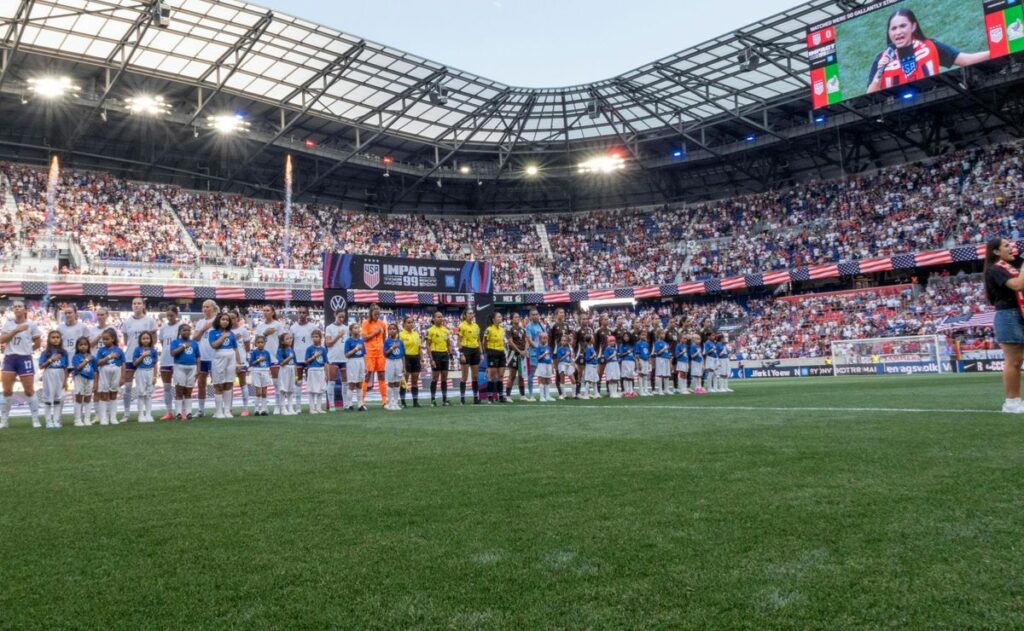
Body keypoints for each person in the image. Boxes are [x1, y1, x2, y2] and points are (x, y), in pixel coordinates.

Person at [866, 8, 990, 94]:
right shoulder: (881, 58)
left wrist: (1000, 50)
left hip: (932, 101)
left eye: (903, 26)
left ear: (913, 27)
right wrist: (879, 73)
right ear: (889, 32)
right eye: (893, 28)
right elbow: (870, 96)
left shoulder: (930, 46)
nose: (898, 32)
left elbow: (967, 60)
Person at [983, 237, 1024, 413]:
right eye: (1006, 245)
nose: (1011, 247)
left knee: (1017, 359)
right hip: (1008, 314)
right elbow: (1017, 285)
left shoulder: (1013, 265)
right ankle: (1012, 403)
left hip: (1018, 313)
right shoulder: (995, 270)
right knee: (1014, 360)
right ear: (996, 252)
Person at [0, 299, 43, 428]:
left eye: (20, 306)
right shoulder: (8, 324)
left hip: (25, 358)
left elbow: (38, 343)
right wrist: (16, 331)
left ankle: (35, 419)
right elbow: (1, 339)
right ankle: (4, 420)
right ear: (13, 310)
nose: (17, 308)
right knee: (7, 390)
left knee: (29, 390)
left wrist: (28, 350)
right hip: (9, 358)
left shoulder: (32, 324)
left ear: (25, 310)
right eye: (15, 306)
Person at [121, 297, 158, 422]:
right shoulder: (127, 322)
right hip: (130, 357)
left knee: (146, 387)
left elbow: (154, 340)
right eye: (134, 303)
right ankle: (126, 414)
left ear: (143, 305)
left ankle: (146, 414)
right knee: (128, 387)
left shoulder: (150, 321)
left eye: (139, 303)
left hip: (146, 359)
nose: (136, 305)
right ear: (132, 306)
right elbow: (126, 341)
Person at [209, 313, 241, 419]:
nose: (225, 321)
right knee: (219, 384)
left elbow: (236, 349)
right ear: (218, 320)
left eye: (227, 320)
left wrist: (239, 362)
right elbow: (214, 345)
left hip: (231, 357)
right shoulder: (213, 332)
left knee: (229, 383)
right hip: (219, 358)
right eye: (223, 319)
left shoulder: (231, 333)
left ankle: (227, 410)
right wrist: (222, 337)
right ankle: (218, 411)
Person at [192, 299, 219, 417]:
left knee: (217, 383)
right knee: (201, 383)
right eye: (203, 307)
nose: (205, 309)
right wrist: (204, 328)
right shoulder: (200, 322)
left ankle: (219, 409)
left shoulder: (218, 321)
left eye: (207, 307)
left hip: (215, 356)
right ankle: (201, 410)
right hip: (202, 357)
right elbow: (195, 338)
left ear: (213, 308)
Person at [256, 305, 284, 414]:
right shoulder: (260, 327)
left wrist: (281, 355)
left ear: (273, 312)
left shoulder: (278, 325)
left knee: (277, 383)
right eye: (264, 310)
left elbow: (283, 341)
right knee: (263, 384)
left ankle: (278, 406)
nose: (265, 312)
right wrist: (264, 334)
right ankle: (263, 407)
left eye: (267, 310)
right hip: (263, 358)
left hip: (275, 357)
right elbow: (257, 342)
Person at [38, 330, 68, 429]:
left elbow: (65, 368)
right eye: (53, 337)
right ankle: (48, 421)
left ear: (60, 339)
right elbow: (41, 366)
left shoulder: (64, 353)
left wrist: (65, 381)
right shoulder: (46, 352)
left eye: (57, 337)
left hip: (60, 375)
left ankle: (56, 420)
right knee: (47, 398)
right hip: (49, 374)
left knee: (58, 399)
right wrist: (51, 360)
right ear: (49, 340)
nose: (55, 339)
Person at [94, 328, 125, 425]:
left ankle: (113, 417)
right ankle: (103, 417)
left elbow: (123, 364)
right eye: (103, 339)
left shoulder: (119, 350)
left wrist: (123, 377)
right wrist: (108, 357)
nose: (105, 341)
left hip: (116, 371)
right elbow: (98, 363)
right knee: (104, 393)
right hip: (104, 372)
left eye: (107, 339)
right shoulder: (101, 350)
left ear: (113, 339)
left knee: (113, 393)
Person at [170, 323, 200, 420]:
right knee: (179, 390)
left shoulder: (194, 343)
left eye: (188, 330)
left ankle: (188, 413)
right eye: (184, 330)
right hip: (180, 367)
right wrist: (183, 347)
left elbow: (198, 357)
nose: (187, 332)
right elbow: (173, 353)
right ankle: (178, 413)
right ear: (180, 332)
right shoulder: (175, 342)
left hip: (192, 368)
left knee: (188, 391)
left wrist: (198, 369)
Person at [360, 304, 388, 407]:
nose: (377, 315)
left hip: (380, 353)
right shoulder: (365, 323)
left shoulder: (382, 324)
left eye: (378, 313)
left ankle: (384, 400)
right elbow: (364, 338)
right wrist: (374, 333)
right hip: (369, 353)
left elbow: (384, 338)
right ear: (371, 313)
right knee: (367, 376)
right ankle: (362, 400)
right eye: (375, 313)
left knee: (381, 375)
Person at [158, 306, 182, 420]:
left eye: (171, 315)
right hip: (165, 359)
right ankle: (169, 411)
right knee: (166, 386)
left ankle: (180, 411)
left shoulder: (181, 326)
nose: (169, 318)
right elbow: (163, 343)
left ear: (176, 314)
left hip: (178, 359)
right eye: (167, 315)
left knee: (179, 385)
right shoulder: (163, 328)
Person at [129, 331, 159, 422]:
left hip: (150, 372)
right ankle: (141, 414)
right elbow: (134, 363)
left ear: (151, 340)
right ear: (140, 340)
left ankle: (148, 414)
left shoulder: (153, 350)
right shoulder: (137, 350)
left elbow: (155, 364)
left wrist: (155, 376)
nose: (146, 340)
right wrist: (142, 356)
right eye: (143, 338)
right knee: (141, 394)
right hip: (140, 372)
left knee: (149, 394)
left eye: (147, 338)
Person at [426, 311, 452, 407]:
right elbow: (428, 345)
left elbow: (449, 344)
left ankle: (444, 400)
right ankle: (433, 400)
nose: (440, 318)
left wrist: (450, 353)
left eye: (441, 317)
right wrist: (431, 359)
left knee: (444, 378)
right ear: (433, 318)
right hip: (435, 354)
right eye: (438, 317)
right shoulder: (430, 331)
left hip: (444, 354)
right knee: (435, 378)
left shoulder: (446, 330)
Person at [290, 305, 318, 393]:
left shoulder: (313, 327)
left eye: (304, 313)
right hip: (297, 358)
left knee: (311, 381)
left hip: (310, 358)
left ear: (307, 314)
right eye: (300, 313)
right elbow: (290, 344)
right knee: (298, 381)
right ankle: (298, 405)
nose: (301, 314)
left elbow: (317, 343)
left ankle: (312, 404)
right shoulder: (293, 328)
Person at [230, 310, 253, 416]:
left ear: (238, 319)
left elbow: (248, 348)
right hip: (228, 361)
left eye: (233, 318)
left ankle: (245, 408)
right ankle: (229, 408)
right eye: (229, 318)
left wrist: (243, 357)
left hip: (241, 360)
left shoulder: (243, 330)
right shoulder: (224, 331)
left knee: (243, 383)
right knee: (228, 385)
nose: (231, 320)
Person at [457, 308, 482, 405]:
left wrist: (481, 352)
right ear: (465, 315)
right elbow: (459, 340)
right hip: (466, 350)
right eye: (469, 313)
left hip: (475, 351)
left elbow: (478, 340)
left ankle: (476, 397)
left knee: (475, 376)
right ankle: (462, 399)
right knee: (464, 376)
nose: (471, 315)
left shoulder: (476, 326)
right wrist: (461, 353)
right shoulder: (462, 326)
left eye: (472, 313)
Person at [325, 310, 348, 411]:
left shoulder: (346, 328)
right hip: (333, 357)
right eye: (340, 317)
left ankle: (346, 404)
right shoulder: (329, 328)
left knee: (345, 382)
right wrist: (338, 336)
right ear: (335, 315)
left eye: (343, 317)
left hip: (344, 358)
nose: (342, 319)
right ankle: (331, 405)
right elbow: (328, 343)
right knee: (331, 381)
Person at [71, 336, 96, 427]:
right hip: (79, 378)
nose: (83, 346)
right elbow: (78, 367)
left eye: (85, 344)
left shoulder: (92, 357)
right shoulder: (76, 357)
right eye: (81, 345)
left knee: (88, 398)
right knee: (79, 398)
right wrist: (86, 360)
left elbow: (95, 370)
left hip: (90, 379)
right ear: (77, 346)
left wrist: (95, 382)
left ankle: (87, 419)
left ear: (88, 346)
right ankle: (77, 419)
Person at [399, 315, 423, 408]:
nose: (410, 324)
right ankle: (403, 402)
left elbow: (419, 348)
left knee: (415, 381)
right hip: (406, 358)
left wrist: (422, 359)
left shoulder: (416, 334)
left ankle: (415, 402)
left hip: (416, 358)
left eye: (412, 322)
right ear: (404, 324)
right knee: (404, 382)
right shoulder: (401, 335)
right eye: (408, 322)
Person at [483, 312, 507, 404]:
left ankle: (501, 396)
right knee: (492, 377)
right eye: (499, 316)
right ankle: (490, 397)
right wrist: (487, 352)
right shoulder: (489, 329)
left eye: (501, 316)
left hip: (501, 353)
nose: (500, 318)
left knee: (500, 376)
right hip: (492, 352)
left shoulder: (502, 329)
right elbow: (484, 341)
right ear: (493, 319)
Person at [344, 323, 368, 412]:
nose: (357, 329)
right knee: (351, 384)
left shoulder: (361, 341)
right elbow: (346, 355)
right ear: (350, 330)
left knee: (359, 384)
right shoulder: (348, 341)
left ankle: (360, 404)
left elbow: (364, 354)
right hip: (352, 362)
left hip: (361, 361)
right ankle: (348, 405)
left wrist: (365, 365)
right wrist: (355, 349)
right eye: (355, 328)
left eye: (358, 328)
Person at [504, 312, 527, 402]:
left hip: (522, 354)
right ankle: (508, 396)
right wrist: (519, 351)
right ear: (512, 319)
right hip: (513, 354)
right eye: (516, 317)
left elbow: (526, 340)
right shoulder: (509, 328)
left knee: (521, 376)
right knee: (512, 375)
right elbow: (510, 342)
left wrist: (525, 350)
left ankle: (522, 395)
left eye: (518, 317)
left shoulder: (522, 329)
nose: (518, 318)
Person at [524, 309, 545, 402]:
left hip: (542, 353)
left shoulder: (542, 325)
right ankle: (531, 394)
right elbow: (529, 340)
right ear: (530, 316)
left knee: (543, 374)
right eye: (533, 314)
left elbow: (545, 338)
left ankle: (544, 394)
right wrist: (538, 349)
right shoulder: (528, 327)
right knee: (531, 375)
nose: (535, 316)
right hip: (533, 353)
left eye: (537, 314)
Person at [304, 330, 328, 414]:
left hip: (321, 370)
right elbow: (307, 361)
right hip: (312, 370)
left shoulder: (323, 349)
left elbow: (325, 362)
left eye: (316, 336)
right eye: (313, 337)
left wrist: (327, 374)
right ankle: (312, 408)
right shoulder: (309, 349)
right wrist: (314, 356)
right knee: (312, 389)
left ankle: (318, 407)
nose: (315, 338)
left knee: (320, 389)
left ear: (320, 338)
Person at [383, 322, 405, 411]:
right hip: (390, 362)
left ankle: (396, 403)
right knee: (390, 382)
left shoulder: (400, 342)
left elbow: (403, 355)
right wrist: (392, 348)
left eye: (394, 329)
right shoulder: (387, 341)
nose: (392, 330)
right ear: (388, 331)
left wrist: (404, 367)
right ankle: (390, 403)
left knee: (397, 382)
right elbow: (385, 354)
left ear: (397, 330)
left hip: (398, 362)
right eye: (390, 329)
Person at [248, 335, 273, 416]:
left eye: (262, 342)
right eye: (258, 342)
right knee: (258, 392)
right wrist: (258, 360)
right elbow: (251, 363)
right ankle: (256, 409)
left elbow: (269, 363)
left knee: (264, 392)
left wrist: (268, 370)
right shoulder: (254, 352)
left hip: (265, 371)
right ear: (255, 343)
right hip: (256, 371)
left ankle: (264, 409)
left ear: (264, 343)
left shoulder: (267, 353)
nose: (260, 344)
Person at [533, 331, 554, 402]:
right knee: (542, 380)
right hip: (541, 365)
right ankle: (542, 396)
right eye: (543, 338)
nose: (545, 340)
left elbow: (551, 358)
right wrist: (544, 354)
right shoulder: (538, 348)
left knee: (548, 380)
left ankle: (547, 396)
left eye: (546, 338)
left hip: (548, 365)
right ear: (540, 339)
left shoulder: (548, 347)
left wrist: (552, 366)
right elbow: (538, 358)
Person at [555, 333, 575, 401]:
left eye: (565, 340)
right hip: (562, 364)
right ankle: (563, 394)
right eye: (562, 340)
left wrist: (572, 363)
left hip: (568, 364)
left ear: (567, 341)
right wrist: (566, 356)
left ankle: (574, 395)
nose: (563, 342)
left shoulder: (568, 348)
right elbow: (558, 360)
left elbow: (571, 357)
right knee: (562, 380)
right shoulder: (559, 349)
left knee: (573, 380)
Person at [653, 330, 672, 395]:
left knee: (667, 374)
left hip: (666, 359)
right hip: (660, 359)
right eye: (662, 334)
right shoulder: (657, 343)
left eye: (664, 334)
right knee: (660, 374)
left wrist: (670, 359)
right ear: (658, 335)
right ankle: (660, 390)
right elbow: (658, 352)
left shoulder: (665, 343)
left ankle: (666, 389)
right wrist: (664, 349)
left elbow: (668, 353)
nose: (663, 335)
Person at [603, 334, 621, 399]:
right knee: (611, 378)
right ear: (608, 342)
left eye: (613, 341)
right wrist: (612, 356)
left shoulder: (615, 348)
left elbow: (618, 356)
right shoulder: (607, 349)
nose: (612, 342)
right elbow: (606, 358)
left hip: (615, 364)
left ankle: (615, 392)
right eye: (611, 341)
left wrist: (618, 359)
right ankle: (612, 393)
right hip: (610, 364)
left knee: (615, 378)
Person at [582, 334, 599, 400]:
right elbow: (587, 358)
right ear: (590, 340)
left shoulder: (591, 347)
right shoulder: (588, 349)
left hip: (594, 365)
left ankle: (596, 393)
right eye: (592, 338)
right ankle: (586, 394)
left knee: (595, 379)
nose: (593, 339)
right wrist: (593, 356)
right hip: (590, 365)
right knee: (588, 380)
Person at [635, 330, 652, 397]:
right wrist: (638, 361)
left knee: (646, 375)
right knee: (641, 374)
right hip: (641, 360)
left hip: (646, 360)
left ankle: (646, 390)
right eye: (642, 335)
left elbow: (647, 352)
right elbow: (637, 353)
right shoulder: (638, 343)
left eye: (645, 335)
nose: (644, 336)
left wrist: (649, 360)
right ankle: (641, 390)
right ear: (639, 336)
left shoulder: (646, 343)